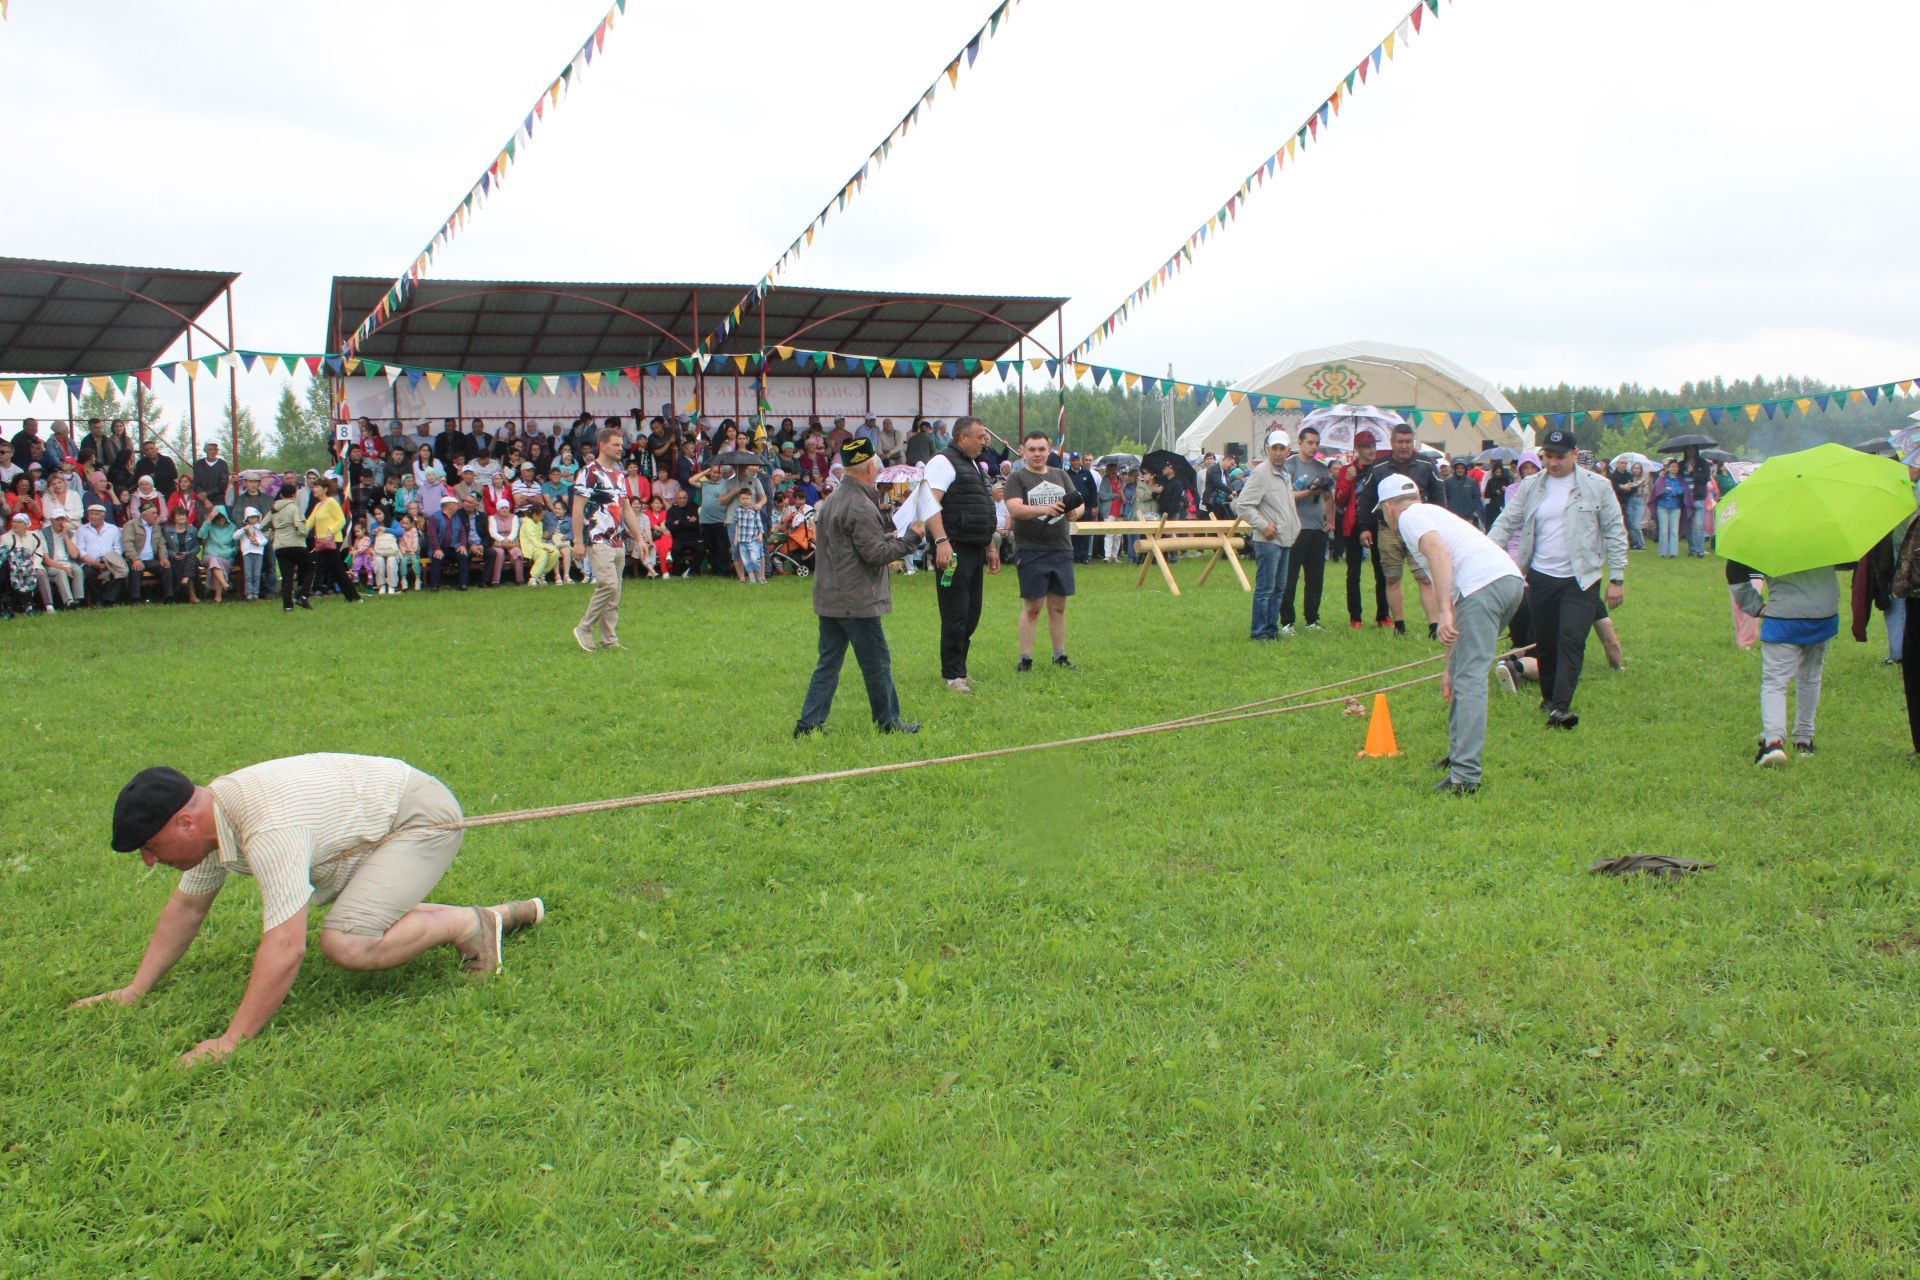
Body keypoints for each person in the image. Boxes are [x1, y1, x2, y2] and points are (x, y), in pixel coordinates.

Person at [74, 756, 545, 1067]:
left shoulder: (267, 825)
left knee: (347, 940)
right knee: (356, 921)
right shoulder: (215, 817)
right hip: (369, 828)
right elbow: (187, 907)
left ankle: (471, 923)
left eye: (152, 847)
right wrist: (133, 990)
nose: (150, 861)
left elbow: (285, 945)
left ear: (185, 821)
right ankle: (495, 916)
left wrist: (230, 1042)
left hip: (417, 818)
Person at [1375, 473, 1525, 794]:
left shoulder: (1410, 517)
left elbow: (1440, 557)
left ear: (1388, 508)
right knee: (1461, 673)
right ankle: (1459, 756)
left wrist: (1441, 610)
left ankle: (1466, 776)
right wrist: (1447, 667)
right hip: (1507, 583)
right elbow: (1458, 599)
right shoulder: (1432, 513)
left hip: (1483, 587)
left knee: (1470, 679)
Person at [1486, 427, 1628, 730]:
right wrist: (1485, 550)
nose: (1552, 462)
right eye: (1547, 456)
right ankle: (1549, 699)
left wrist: (1617, 578)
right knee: (1547, 643)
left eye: (1559, 457)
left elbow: (1615, 531)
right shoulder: (1532, 486)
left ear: (1574, 456)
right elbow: (1508, 520)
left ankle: (1560, 708)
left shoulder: (1598, 486)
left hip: (1581, 578)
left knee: (1572, 639)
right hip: (1541, 576)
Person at [794, 439, 923, 737]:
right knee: (877, 662)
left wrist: (890, 531)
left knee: (828, 663)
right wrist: (912, 538)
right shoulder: (860, 504)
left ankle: (808, 725)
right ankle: (889, 722)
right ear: (868, 467)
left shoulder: (833, 500)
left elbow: (857, 545)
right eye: (877, 465)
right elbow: (875, 555)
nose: (878, 469)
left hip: (831, 596)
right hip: (856, 599)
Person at [924, 416, 1001, 693]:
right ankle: (952, 675)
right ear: (962, 437)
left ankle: (960, 669)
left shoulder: (971, 464)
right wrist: (941, 540)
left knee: (971, 612)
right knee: (956, 612)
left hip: (974, 549)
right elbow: (929, 501)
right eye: (980, 436)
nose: (985, 441)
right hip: (953, 548)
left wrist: (990, 547)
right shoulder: (943, 461)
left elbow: (982, 509)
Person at [1735, 562, 1838, 765]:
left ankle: (1773, 741)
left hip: (1783, 615)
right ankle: (1804, 740)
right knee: (1810, 677)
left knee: (1775, 682)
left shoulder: (1766, 534)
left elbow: (1735, 570)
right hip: (1823, 614)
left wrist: (1754, 606)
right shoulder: (1826, 532)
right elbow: (1849, 563)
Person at [1004, 430, 1086, 671]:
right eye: (1032, 449)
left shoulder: (1060, 475)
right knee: (1033, 607)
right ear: (1023, 451)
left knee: (1058, 606)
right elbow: (1015, 510)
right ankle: (1025, 659)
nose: (1037, 454)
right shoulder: (1017, 479)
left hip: (1061, 548)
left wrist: (1073, 512)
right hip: (1031, 549)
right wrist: (1045, 509)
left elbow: (1077, 505)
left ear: (1049, 450)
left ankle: (1060, 656)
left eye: (1041, 449)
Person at [1354, 424, 1444, 637]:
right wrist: (1364, 528)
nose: (1404, 446)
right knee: (1392, 577)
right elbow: (1366, 499)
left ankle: (1434, 626)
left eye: (1408, 442)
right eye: (1400, 442)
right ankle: (1399, 626)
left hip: (1419, 529)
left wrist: (1438, 523)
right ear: (1392, 443)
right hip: (1388, 529)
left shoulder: (1426, 464)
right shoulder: (1379, 467)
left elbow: (1439, 495)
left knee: (1424, 577)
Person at [570, 425, 647, 651]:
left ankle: (609, 639)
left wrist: (640, 538)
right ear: (602, 445)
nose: (620, 448)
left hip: (618, 540)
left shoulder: (620, 475)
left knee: (615, 594)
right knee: (608, 585)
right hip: (597, 538)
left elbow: (626, 509)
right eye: (615, 444)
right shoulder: (589, 472)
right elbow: (577, 508)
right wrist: (577, 540)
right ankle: (584, 627)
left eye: (621, 444)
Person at [1233, 429, 1303, 641]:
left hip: (1284, 537)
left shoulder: (1285, 474)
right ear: (1267, 450)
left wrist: (1295, 526)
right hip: (1268, 539)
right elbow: (1243, 505)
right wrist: (1263, 525)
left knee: (1279, 588)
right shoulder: (1261, 472)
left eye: (1282, 448)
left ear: (1288, 451)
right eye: (1275, 448)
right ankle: (1259, 632)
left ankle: (1271, 629)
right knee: (1266, 588)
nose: (1278, 453)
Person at [1281, 425, 1334, 633]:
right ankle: (1287, 621)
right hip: (1295, 529)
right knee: (1290, 577)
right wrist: (1309, 493)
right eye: (1310, 443)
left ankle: (1312, 619)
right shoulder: (1290, 465)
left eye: (1317, 444)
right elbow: (1285, 495)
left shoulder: (1321, 468)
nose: (1313, 447)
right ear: (1300, 443)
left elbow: (1329, 497)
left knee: (1315, 578)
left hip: (1317, 529)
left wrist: (1330, 521)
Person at [1335, 431, 1390, 628]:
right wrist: (1347, 480)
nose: (1371, 450)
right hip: (1353, 525)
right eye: (1367, 446)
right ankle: (1355, 617)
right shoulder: (1348, 470)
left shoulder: (1382, 470)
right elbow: (1339, 500)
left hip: (1377, 524)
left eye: (1373, 446)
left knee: (1381, 571)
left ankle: (1383, 615)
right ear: (1357, 449)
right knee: (1353, 573)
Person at [268, 483, 312, 611]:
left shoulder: (274, 508)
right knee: (310, 567)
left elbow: (263, 524)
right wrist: (304, 532)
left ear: (281, 495)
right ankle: (303, 596)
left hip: (279, 546)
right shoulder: (294, 508)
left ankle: (287, 606)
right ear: (294, 494)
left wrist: (272, 532)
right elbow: (300, 526)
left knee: (287, 576)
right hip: (295, 544)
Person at [75, 503, 128, 605]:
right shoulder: (82, 529)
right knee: (87, 573)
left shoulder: (113, 529)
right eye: (91, 514)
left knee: (121, 572)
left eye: (96, 514)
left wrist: (109, 560)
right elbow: (80, 550)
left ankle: (108, 599)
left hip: (110, 561)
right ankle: (98, 600)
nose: (93, 517)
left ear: (103, 516)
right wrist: (92, 562)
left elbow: (118, 548)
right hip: (90, 562)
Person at [1650, 458, 1690, 558]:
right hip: (1662, 507)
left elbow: (1683, 491)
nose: (1674, 468)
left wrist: (1671, 490)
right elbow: (1658, 491)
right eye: (1672, 466)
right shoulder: (1662, 478)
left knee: (1674, 531)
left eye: (1676, 466)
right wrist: (1671, 491)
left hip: (1675, 507)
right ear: (1668, 468)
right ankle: (1663, 552)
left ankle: (1673, 553)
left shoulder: (1681, 479)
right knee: (1663, 530)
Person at [1066, 454, 1101, 564]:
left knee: (1085, 532)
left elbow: (1093, 490)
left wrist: (1094, 506)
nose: (1076, 462)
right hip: (1073, 508)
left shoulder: (1086, 474)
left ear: (1080, 461)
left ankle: (1084, 556)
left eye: (1077, 460)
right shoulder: (1067, 474)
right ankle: (1075, 556)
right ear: (1070, 462)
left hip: (1086, 507)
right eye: (1073, 460)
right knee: (1074, 532)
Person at [237, 507, 269, 600]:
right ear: (247, 518)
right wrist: (244, 530)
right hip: (247, 553)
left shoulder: (260, 527)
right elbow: (235, 537)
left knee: (257, 574)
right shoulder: (244, 528)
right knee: (248, 574)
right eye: (251, 517)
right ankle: (249, 593)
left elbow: (265, 539)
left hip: (258, 553)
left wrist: (259, 542)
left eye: (255, 517)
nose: (253, 519)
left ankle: (256, 592)